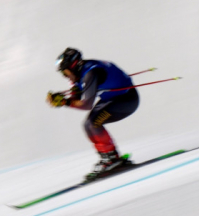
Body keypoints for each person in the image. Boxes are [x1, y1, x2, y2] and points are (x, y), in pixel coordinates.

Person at [48, 48, 140, 180]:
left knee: (94, 123)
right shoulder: (80, 72)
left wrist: (64, 102)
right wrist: (64, 96)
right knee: (87, 124)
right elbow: (78, 96)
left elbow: (86, 104)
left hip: (126, 100)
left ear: (73, 67)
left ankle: (112, 159)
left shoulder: (91, 73)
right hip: (113, 98)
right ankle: (110, 158)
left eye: (65, 72)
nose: (65, 76)